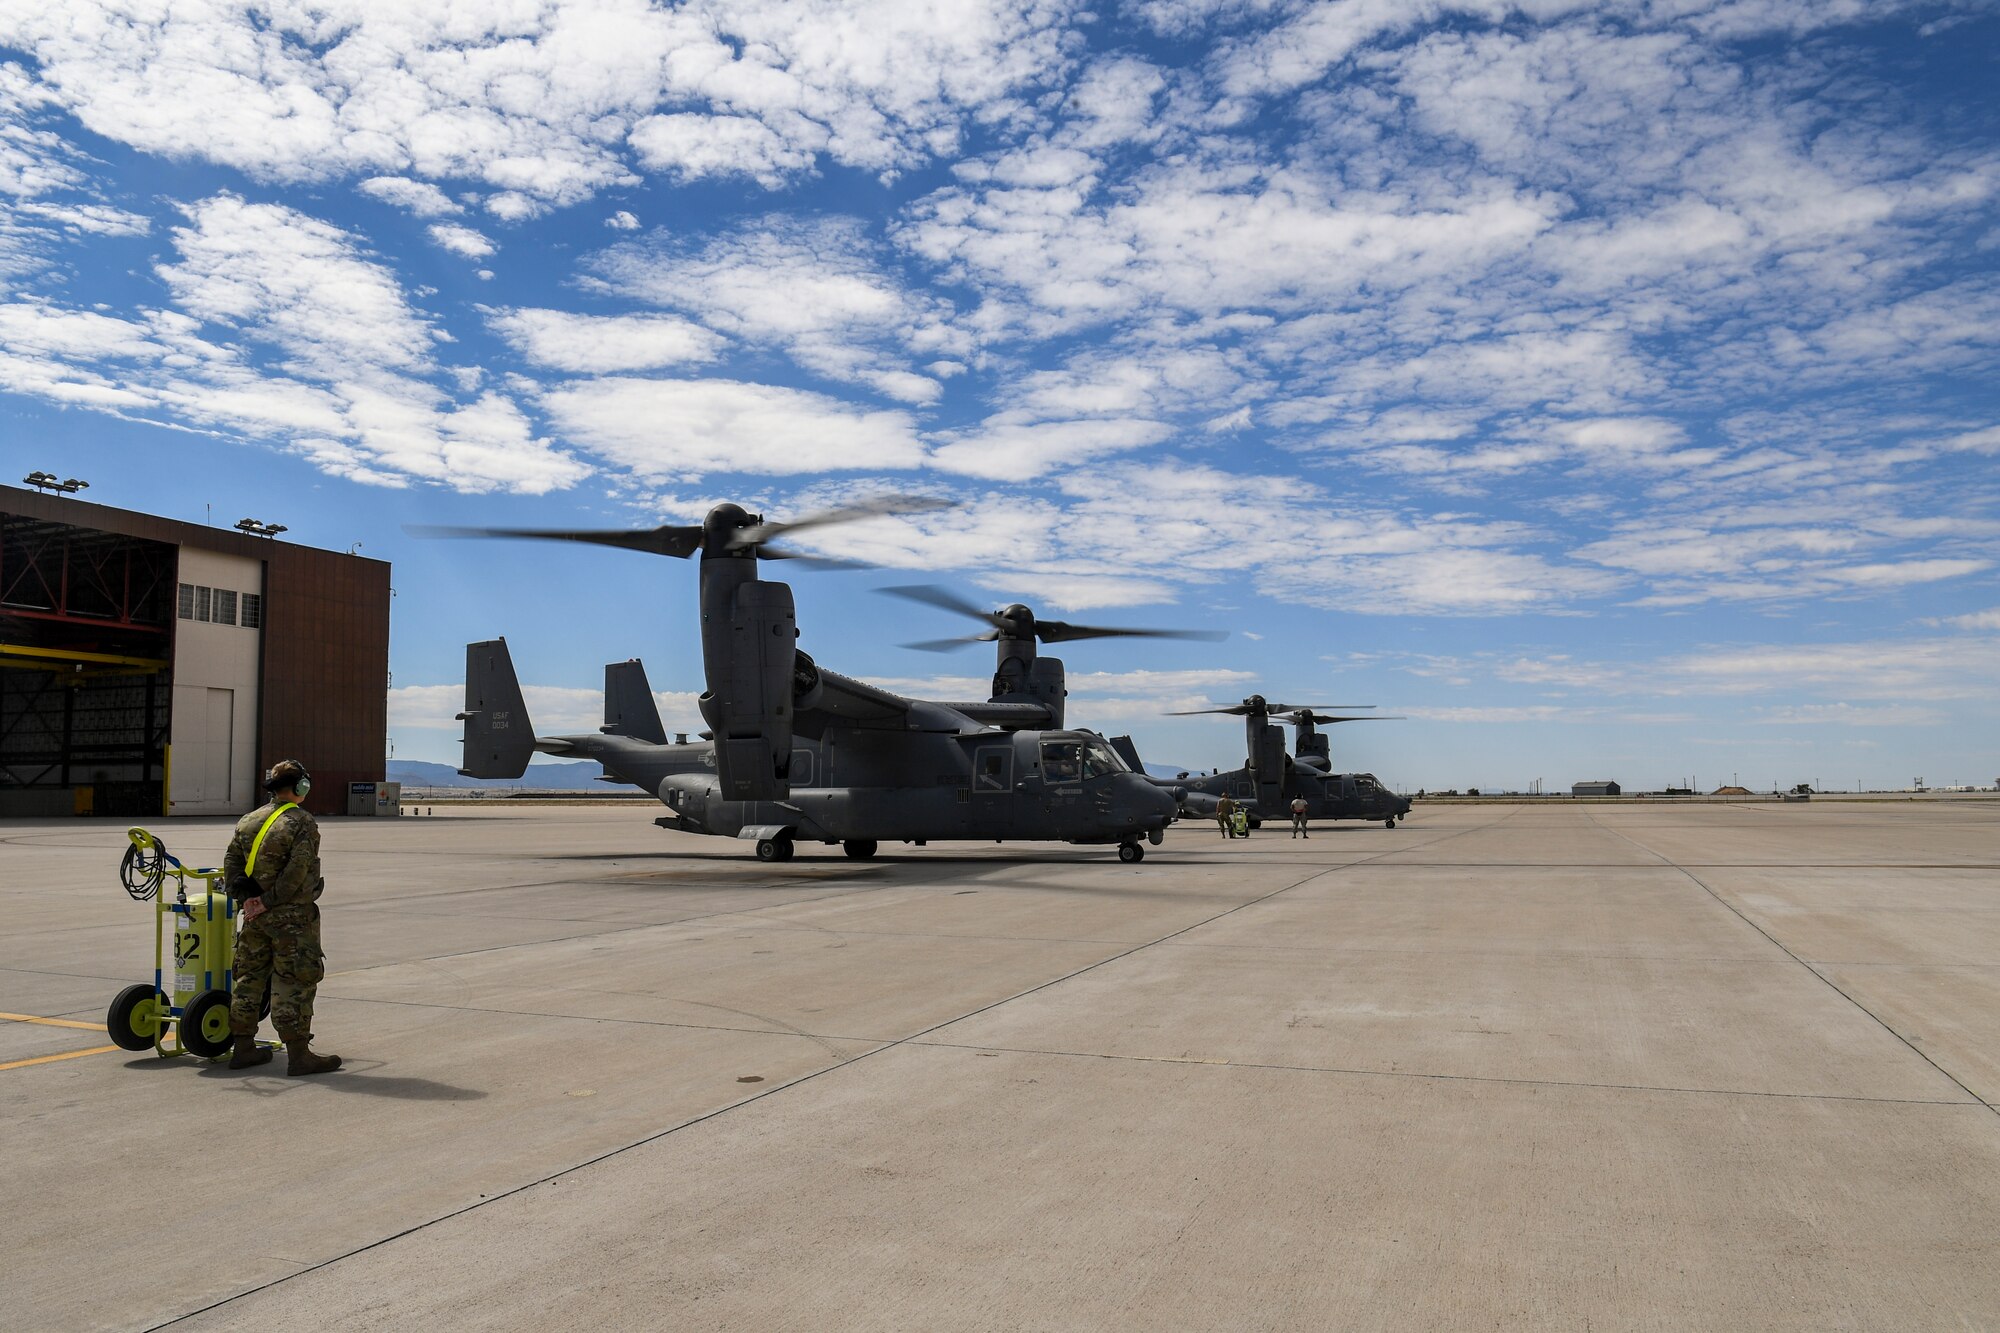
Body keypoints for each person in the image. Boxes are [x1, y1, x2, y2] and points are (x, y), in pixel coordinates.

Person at [223, 759, 341, 1075]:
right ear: (301, 786)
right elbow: (297, 873)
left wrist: (247, 899)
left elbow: (231, 864)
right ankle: (299, 1055)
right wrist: (268, 901)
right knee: (294, 981)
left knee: (249, 978)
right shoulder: (301, 822)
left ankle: (243, 1047)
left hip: (253, 919)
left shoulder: (249, 820)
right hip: (290, 919)